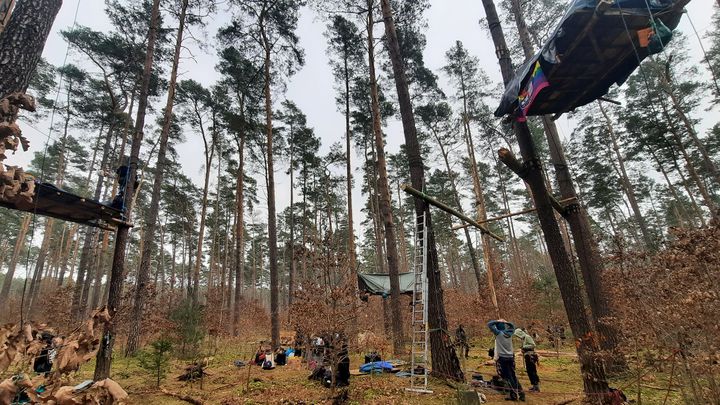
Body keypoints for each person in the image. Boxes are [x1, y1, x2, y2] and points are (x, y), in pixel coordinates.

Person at [488, 319, 524, 402]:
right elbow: (512, 326)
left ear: (498, 327)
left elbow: (489, 324)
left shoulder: (498, 334)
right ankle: (521, 394)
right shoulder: (509, 334)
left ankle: (514, 395)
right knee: (513, 376)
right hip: (511, 357)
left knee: (508, 377)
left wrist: (497, 321)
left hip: (503, 358)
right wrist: (506, 322)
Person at [514, 328, 540, 392]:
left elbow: (533, 345)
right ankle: (534, 385)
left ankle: (536, 386)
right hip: (527, 356)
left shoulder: (527, 337)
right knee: (529, 371)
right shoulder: (524, 339)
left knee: (532, 371)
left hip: (530, 356)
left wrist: (524, 347)